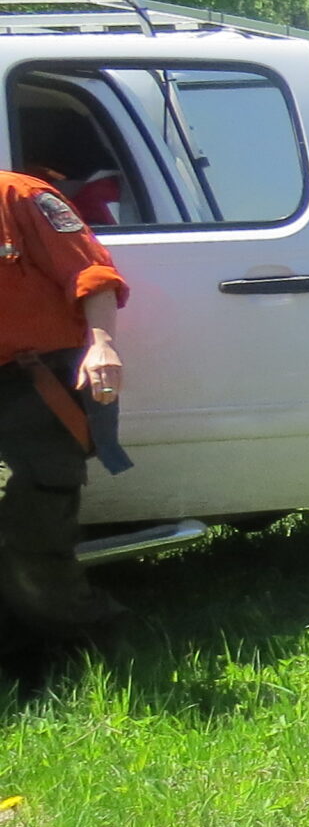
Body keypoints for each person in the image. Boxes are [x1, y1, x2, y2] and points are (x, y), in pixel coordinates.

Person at [0, 169, 127, 634]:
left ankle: (81, 648)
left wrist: (102, 345)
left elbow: (93, 275)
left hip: (30, 381)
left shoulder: (22, 196)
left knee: (29, 517)